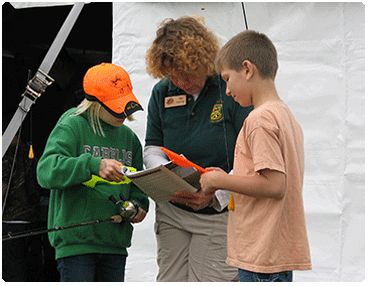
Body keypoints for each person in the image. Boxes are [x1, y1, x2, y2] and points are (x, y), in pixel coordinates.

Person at [144, 16, 253, 282]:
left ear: (203, 61)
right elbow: (152, 146)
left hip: (219, 211)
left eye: (186, 73)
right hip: (173, 210)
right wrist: (163, 173)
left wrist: (216, 195)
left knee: (209, 278)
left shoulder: (230, 88)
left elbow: (251, 155)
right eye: (172, 75)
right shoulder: (162, 92)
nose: (180, 81)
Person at [200, 30, 312, 282]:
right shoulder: (286, 117)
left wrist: (219, 180)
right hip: (273, 253)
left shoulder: (259, 119)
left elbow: (274, 184)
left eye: (228, 79)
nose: (227, 91)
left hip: (262, 258)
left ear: (247, 69)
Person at [36, 63, 149, 282]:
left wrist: (139, 206)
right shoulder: (72, 124)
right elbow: (46, 171)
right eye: (116, 106)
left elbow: (138, 186)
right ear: (95, 103)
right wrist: (93, 165)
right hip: (76, 246)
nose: (124, 112)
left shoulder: (130, 138)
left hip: (115, 245)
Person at [2, 129, 46, 282]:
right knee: (31, 266)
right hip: (34, 219)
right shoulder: (34, 157)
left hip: (10, 221)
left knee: (12, 270)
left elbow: (3, 189)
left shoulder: (7, 156)